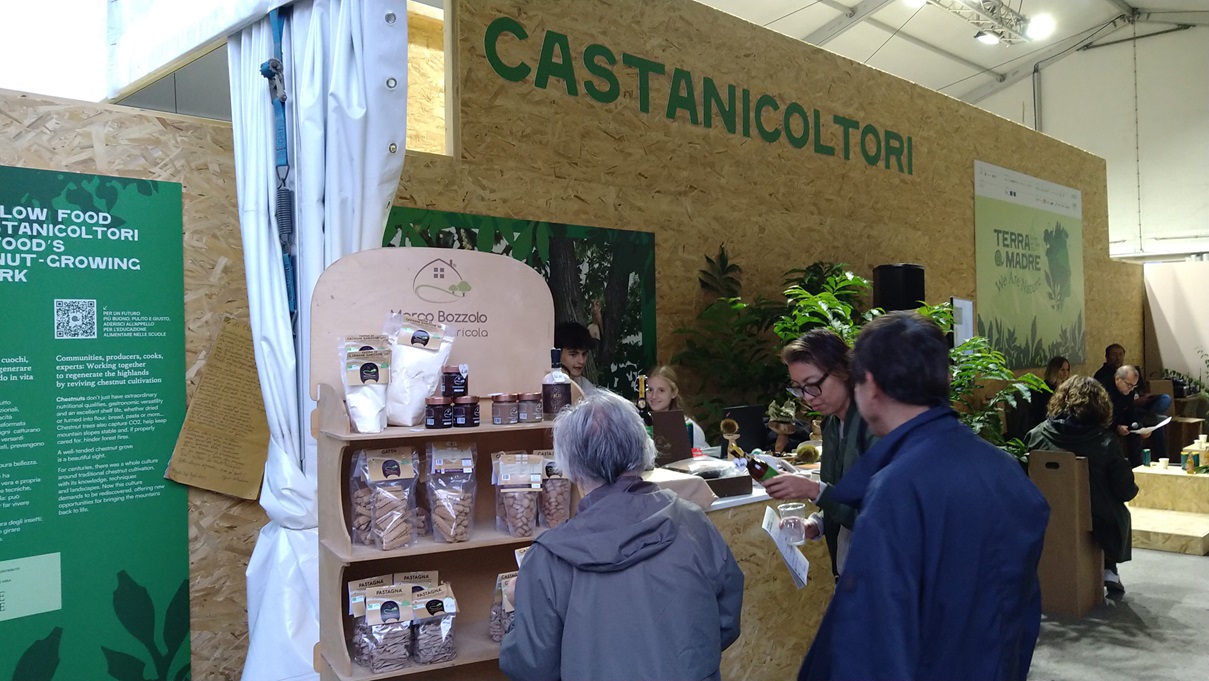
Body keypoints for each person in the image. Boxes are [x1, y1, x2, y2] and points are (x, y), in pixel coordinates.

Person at [798, 311, 1049, 681]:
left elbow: (871, 644)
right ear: (945, 379)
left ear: (870, 386)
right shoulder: (1007, 470)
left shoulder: (897, 489)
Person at [499, 390, 744, 681]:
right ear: (642, 450)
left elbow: (531, 667)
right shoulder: (693, 522)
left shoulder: (548, 558)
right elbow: (725, 622)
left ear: (572, 469)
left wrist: (519, 605)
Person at [763, 329, 876, 579]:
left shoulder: (874, 425)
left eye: (813, 384)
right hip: (848, 571)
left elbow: (873, 514)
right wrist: (816, 524)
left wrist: (813, 490)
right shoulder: (832, 424)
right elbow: (839, 496)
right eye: (799, 388)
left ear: (843, 371)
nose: (807, 397)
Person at [1025, 375, 1138, 597]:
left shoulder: (1035, 436)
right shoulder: (1106, 441)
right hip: (1096, 519)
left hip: (1046, 514)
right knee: (1116, 509)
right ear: (1100, 405)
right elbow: (1125, 490)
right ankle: (1109, 567)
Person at [1108, 364, 1164, 468]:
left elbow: (1131, 412)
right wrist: (1116, 427)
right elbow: (1100, 416)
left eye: (1134, 386)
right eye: (1129, 385)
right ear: (1117, 379)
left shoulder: (1129, 392)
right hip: (1103, 423)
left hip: (1120, 418)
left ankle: (1137, 466)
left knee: (1136, 434)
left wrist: (1140, 428)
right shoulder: (1104, 391)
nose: (1131, 388)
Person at [645, 365, 708, 449]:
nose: (654, 396)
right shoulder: (638, 423)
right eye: (650, 390)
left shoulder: (688, 427)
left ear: (674, 393)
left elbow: (702, 455)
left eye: (661, 390)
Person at [1027, 355, 1071, 428]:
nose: (1066, 373)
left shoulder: (1067, 387)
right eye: (1062, 370)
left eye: (1067, 369)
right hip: (1047, 424)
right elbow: (1042, 413)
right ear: (1054, 370)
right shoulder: (1043, 389)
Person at [554, 321, 597, 395]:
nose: (581, 361)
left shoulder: (584, 386)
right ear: (557, 354)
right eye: (573, 354)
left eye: (584, 354)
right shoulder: (547, 383)